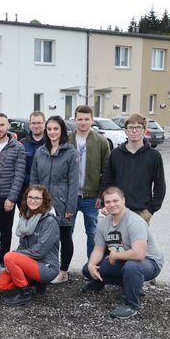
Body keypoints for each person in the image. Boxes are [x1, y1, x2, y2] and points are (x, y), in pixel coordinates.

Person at [81, 186, 163, 319]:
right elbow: (98, 249)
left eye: (115, 201)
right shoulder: (103, 223)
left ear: (123, 200)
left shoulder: (134, 222)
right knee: (87, 269)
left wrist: (115, 255)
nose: (112, 205)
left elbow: (139, 254)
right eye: (108, 202)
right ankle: (127, 283)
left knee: (132, 267)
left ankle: (131, 305)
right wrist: (91, 264)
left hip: (149, 261)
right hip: (124, 259)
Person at [31, 115, 79, 284]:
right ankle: (46, 268)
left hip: (62, 201)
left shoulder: (70, 152)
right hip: (43, 202)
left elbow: (74, 183)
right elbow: (34, 178)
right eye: (49, 129)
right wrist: (33, 201)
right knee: (44, 237)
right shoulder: (41, 151)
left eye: (55, 129)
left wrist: (70, 207)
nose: (52, 132)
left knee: (65, 235)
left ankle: (63, 271)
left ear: (62, 130)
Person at [0, 185, 60, 306]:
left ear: (44, 200)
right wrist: (14, 261)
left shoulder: (49, 221)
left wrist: (14, 257)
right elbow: (23, 245)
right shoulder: (26, 217)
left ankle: (24, 293)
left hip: (47, 266)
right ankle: (36, 282)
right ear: (25, 198)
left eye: (37, 198)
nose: (33, 200)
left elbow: (40, 251)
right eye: (30, 197)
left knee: (9, 257)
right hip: (30, 263)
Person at [100, 113, 166, 224]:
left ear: (144, 131)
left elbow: (160, 186)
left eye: (138, 127)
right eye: (130, 127)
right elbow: (107, 181)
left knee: (139, 242)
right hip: (116, 210)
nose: (134, 131)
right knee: (115, 241)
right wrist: (104, 204)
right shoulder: (116, 154)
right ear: (125, 131)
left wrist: (150, 210)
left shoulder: (154, 156)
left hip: (141, 212)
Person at [69, 105, 110, 257]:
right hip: (70, 197)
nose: (83, 122)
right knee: (67, 232)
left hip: (92, 197)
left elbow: (107, 172)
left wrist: (102, 196)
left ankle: (92, 266)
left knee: (93, 233)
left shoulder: (101, 141)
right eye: (80, 119)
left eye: (87, 119)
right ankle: (64, 266)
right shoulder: (67, 140)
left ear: (92, 120)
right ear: (75, 120)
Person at [0, 113, 26, 264]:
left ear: (8, 126)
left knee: (5, 232)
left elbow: (19, 175)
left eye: (2, 125)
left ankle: (3, 260)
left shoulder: (18, 147)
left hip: (7, 198)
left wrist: (12, 198)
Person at [19, 111, 46, 198]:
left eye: (39, 123)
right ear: (29, 125)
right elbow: (19, 170)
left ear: (44, 124)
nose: (36, 126)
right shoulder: (22, 144)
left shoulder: (51, 144)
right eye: (33, 123)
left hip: (47, 191)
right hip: (26, 191)